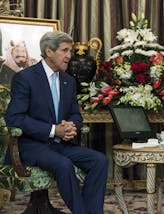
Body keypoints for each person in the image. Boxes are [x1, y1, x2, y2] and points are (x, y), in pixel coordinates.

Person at [5, 31, 108, 214]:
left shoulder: (68, 81)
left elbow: (76, 115)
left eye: (70, 50)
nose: (69, 55)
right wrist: (53, 130)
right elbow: (15, 118)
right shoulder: (25, 78)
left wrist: (71, 126)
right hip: (31, 146)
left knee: (100, 161)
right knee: (64, 165)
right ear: (49, 51)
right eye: (65, 50)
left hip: (61, 145)